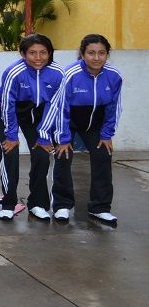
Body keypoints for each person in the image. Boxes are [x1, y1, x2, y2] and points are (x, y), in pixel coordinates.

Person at [39, 34, 123, 226]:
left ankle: (100, 208)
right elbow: (61, 108)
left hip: (96, 123)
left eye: (101, 53)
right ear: (82, 54)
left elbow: (114, 107)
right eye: (91, 53)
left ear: (107, 55)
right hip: (69, 120)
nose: (96, 58)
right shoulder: (71, 74)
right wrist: (63, 138)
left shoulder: (114, 75)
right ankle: (62, 205)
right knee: (63, 156)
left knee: (103, 156)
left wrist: (107, 133)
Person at [0, 34, 64, 221]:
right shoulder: (14, 72)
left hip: (39, 115)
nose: (39, 57)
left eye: (43, 52)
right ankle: (8, 202)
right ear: (23, 54)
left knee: (42, 155)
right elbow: (7, 104)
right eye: (32, 53)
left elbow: (55, 105)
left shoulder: (58, 73)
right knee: (10, 155)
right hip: (10, 113)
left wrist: (43, 135)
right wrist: (11, 135)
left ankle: (38, 203)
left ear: (50, 53)